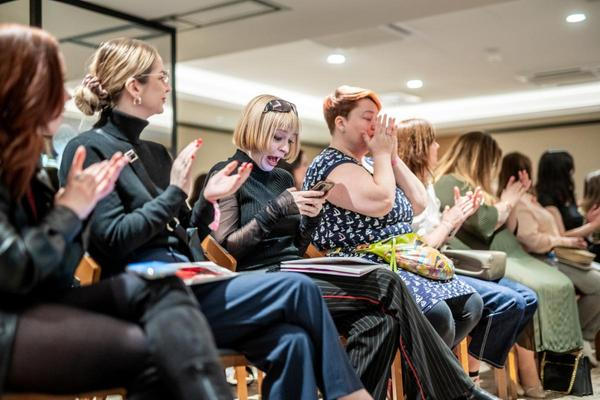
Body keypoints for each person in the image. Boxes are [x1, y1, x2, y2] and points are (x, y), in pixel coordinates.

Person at [59, 37, 370, 400]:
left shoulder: (157, 153)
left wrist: (207, 200)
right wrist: (175, 193)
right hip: (146, 293)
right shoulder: (90, 148)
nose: (167, 86)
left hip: (188, 280)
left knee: (294, 341)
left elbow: (185, 231)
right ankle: (350, 394)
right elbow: (111, 241)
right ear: (134, 87)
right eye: (161, 77)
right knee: (299, 288)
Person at [0, 23, 244, 399]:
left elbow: (57, 272)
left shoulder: (31, 165)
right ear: (23, 89)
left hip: (38, 302)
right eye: (55, 83)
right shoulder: (78, 149)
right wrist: (69, 212)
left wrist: (75, 213)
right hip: (12, 315)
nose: (65, 95)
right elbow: (14, 271)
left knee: (160, 287)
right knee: (157, 352)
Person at [199, 92, 497, 400]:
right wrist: (277, 209)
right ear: (255, 131)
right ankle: (460, 392)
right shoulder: (228, 172)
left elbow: (295, 247)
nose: (285, 149)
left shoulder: (282, 177)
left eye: (290, 140)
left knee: (379, 322)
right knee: (385, 280)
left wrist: (310, 219)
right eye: (278, 138)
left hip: (293, 269)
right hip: (260, 278)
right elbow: (227, 248)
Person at [306, 86, 483, 351]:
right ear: (340, 123)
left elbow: (419, 202)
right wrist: (380, 154)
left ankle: (432, 374)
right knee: (437, 315)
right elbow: (381, 202)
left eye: (377, 119)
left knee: (471, 305)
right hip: (362, 265)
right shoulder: (330, 164)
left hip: (401, 258)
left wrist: (392, 157)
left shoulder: (371, 165)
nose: (375, 126)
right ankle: (427, 377)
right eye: (368, 118)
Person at [434, 132, 583, 397]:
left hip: (504, 254)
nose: (493, 168)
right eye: (491, 161)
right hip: (478, 261)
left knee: (544, 292)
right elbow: (484, 223)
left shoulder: (476, 186)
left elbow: (504, 224)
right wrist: (508, 201)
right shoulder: (449, 182)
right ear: (481, 158)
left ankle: (538, 374)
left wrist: (510, 201)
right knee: (527, 296)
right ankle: (480, 377)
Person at [397, 119, 539, 391]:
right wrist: (450, 221)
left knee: (528, 297)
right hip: (424, 269)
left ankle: (467, 375)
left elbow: (441, 236)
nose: (438, 147)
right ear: (419, 147)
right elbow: (418, 248)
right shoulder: (405, 190)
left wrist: (457, 219)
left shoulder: (427, 184)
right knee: (509, 302)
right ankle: (469, 378)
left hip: (440, 261)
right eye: (432, 142)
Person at [500, 152, 600, 366]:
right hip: (542, 259)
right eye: (526, 172)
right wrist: (567, 240)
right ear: (520, 174)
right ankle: (581, 335)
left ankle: (583, 335)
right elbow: (532, 240)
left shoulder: (530, 200)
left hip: (554, 254)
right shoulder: (520, 203)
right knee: (597, 284)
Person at [536, 151, 600, 260]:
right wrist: (593, 225)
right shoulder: (547, 202)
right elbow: (559, 237)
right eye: (568, 172)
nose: (571, 176)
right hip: (565, 256)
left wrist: (589, 220)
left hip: (580, 249)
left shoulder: (565, 196)